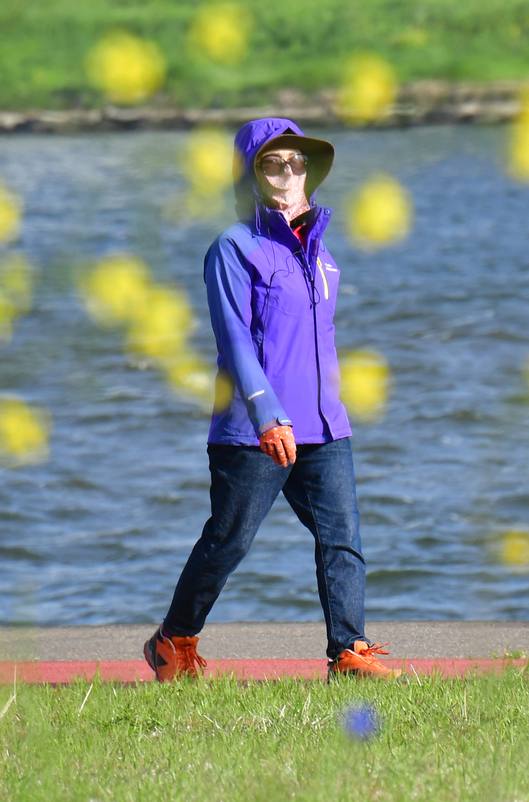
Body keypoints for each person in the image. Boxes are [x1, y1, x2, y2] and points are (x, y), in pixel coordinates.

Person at [143, 117, 399, 681]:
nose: (287, 172)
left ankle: (349, 651)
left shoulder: (322, 255)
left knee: (343, 539)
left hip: (325, 425)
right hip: (255, 430)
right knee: (228, 541)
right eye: (272, 163)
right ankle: (174, 639)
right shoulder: (233, 248)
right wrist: (266, 414)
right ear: (250, 176)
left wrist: (334, 408)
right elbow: (234, 339)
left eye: (297, 161)